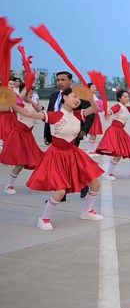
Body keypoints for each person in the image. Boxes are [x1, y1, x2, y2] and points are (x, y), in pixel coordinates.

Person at [16, 88, 104, 231]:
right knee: (60, 192)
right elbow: (28, 113)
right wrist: (10, 101)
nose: (77, 100)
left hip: (74, 155)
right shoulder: (54, 115)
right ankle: (44, 218)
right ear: (65, 97)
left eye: (79, 98)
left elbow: (94, 108)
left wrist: (89, 97)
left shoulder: (78, 114)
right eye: (74, 96)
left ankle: (87, 211)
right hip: (56, 156)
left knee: (95, 184)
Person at [44, 71, 95, 200]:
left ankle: (76, 186)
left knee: (71, 163)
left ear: (70, 81)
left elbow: (90, 114)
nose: (60, 82)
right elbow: (49, 115)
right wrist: (46, 134)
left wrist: (84, 130)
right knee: (62, 165)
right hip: (56, 134)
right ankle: (63, 192)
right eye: (58, 80)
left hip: (72, 133)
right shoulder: (54, 96)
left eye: (63, 79)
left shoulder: (78, 95)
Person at [2, 82, 44, 194]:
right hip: (18, 135)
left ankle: (39, 182)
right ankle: (9, 185)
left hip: (28, 135)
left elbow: (40, 109)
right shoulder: (18, 104)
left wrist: (31, 100)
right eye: (28, 92)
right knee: (20, 163)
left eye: (31, 92)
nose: (30, 93)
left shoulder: (33, 104)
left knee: (39, 160)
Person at [97, 89, 130, 179]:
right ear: (119, 98)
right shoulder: (118, 106)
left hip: (121, 131)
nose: (127, 98)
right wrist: (107, 110)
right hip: (114, 130)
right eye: (125, 97)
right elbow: (110, 112)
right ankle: (108, 173)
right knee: (118, 154)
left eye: (128, 96)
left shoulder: (127, 108)